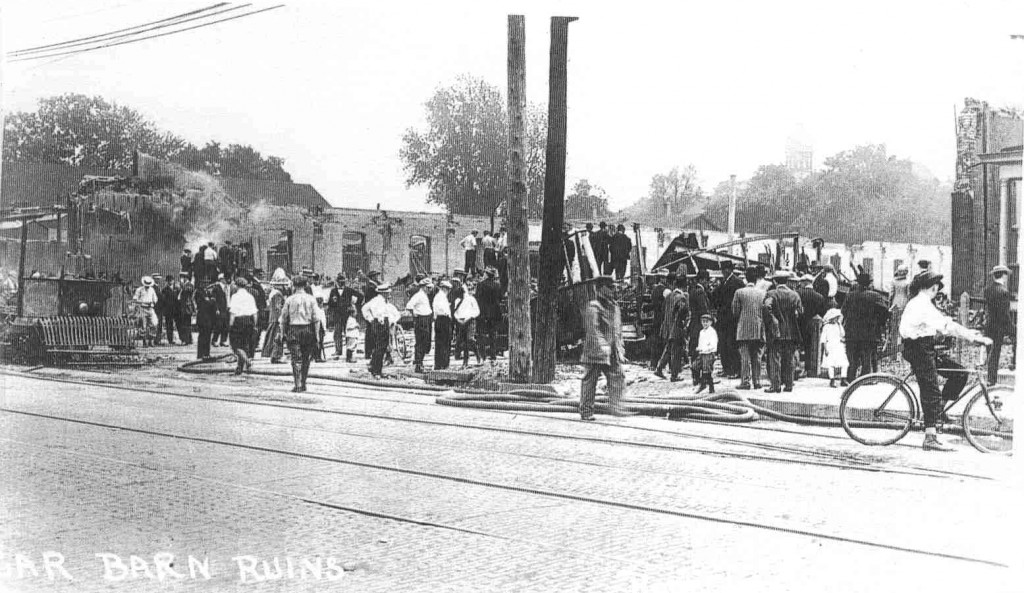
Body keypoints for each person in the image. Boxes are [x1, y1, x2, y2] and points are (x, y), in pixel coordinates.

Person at [900, 270, 991, 451]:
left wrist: (970, 334)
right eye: (937, 288)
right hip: (918, 349)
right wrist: (973, 338)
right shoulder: (921, 304)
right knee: (931, 389)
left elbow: (943, 323)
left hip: (925, 347)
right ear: (933, 287)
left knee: (959, 373)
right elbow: (946, 326)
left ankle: (939, 411)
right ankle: (930, 437)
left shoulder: (923, 302)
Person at [579, 275, 627, 421]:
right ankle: (586, 411)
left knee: (618, 376)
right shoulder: (594, 307)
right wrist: (603, 346)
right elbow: (593, 330)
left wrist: (619, 348)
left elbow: (617, 330)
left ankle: (616, 407)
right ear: (601, 289)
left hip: (611, 351)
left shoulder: (614, 306)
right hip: (595, 351)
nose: (614, 290)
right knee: (590, 380)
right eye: (610, 288)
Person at [841, 272, 889, 383]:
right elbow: (885, 312)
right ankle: (865, 379)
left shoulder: (850, 295)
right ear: (869, 284)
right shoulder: (875, 296)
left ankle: (850, 378)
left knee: (852, 357)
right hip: (870, 332)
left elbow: (843, 311)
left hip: (851, 331)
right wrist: (879, 323)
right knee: (866, 356)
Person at [280, 275, 320, 392]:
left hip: (293, 330)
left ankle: (297, 384)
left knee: (296, 358)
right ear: (305, 285)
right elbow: (316, 319)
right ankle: (304, 383)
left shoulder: (289, 300)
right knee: (306, 358)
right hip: (307, 330)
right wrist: (317, 335)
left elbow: (283, 319)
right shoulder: (311, 299)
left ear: (294, 285)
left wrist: (282, 333)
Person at [712, 260, 744, 379]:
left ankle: (736, 369)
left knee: (732, 345)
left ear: (729, 269)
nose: (723, 272)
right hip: (723, 319)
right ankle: (727, 368)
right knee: (723, 345)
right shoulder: (723, 282)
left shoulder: (737, 282)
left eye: (724, 269)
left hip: (732, 319)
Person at [984, 265, 1014, 386]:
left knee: (991, 352)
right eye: (1006, 275)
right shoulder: (1004, 292)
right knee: (996, 352)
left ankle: (991, 379)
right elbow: (1004, 314)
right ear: (1003, 275)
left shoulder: (987, 289)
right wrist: (1011, 328)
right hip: (1000, 326)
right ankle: (1014, 363)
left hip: (989, 324)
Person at [654, 274, 689, 381]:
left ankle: (659, 369)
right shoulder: (681, 297)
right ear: (685, 286)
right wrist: (684, 325)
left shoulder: (669, 295)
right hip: (677, 327)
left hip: (667, 327)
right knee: (677, 351)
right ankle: (674, 375)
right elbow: (682, 313)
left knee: (668, 349)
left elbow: (663, 309)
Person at [361, 282, 400, 378]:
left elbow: (365, 309)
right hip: (380, 323)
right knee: (380, 347)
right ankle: (377, 370)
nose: (389, 294)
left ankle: (374, 367)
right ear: (383, 293)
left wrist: (371, 319)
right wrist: (371, 319)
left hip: (382, 323)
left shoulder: (383, 301)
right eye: (387, 293)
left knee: (380, 346)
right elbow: (364, 309)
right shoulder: (377, 301)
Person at [796, 274, 827, 379]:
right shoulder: (819, 296)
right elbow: (823, 313)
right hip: (813, 326)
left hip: (799, 324)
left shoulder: (798, 294)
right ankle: (809, 369)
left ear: (804, 282)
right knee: (811, 348)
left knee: (798, 347)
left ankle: (797, 368)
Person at [228, 277, 258, 375]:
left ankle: (247, 361)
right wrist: (254, 324)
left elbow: (232, 313)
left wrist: (230, 325)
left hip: (238, 321)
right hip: (249, 321)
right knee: (245, 345)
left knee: (236, 346)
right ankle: (239, 367)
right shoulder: (250, 297)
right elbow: (255, 313)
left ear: (236, 286)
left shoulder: (235, 297)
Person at [329, 274, 363, 361]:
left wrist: (355, 304)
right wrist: (333, 309)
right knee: (337, 333)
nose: (341, 284)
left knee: (349, 334)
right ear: (337, 282)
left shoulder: (349, 290)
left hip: (347, 315)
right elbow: (330, 303)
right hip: (337, 315)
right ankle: (338, 350)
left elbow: (360, 296)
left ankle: (349, 351)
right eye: (340, 282)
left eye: (343, 282)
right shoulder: (333, 291)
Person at [687, 270, 711, 385]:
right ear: (702, 280)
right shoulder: (700, 292)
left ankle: (695, 377)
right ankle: (699, 375)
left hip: (694, 325)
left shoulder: (693, 290)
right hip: (700, 326)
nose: (708, 283)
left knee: (695, 350)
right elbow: (704, 310)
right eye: (707, 281)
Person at [406, 278, 434, 373]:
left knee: (425, 341)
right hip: (421, 320)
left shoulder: (424, 295)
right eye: (428, 288)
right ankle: (418, 364)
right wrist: (415, 315)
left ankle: (420, 362)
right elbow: (409, 306)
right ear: (424, 287)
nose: (430, 290)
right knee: (421, 342)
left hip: (426, 319)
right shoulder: (418, 295)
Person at [453, 280, 482, 368]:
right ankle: (465, 361)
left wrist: (469, 317)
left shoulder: (471, 299)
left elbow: (477, 311)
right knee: (463, 342)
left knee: (470, 339)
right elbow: (455, 312)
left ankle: (478, 356)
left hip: (470, 321)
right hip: (461, 322)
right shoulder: (457, 300)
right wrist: (458, 319)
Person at [476, 268, 502, 363]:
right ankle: (493, 354)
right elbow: (500, 298)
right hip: (495, 313)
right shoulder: (497, 285)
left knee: (482, 334)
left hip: (483, 313)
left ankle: (483, 356)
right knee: (493, 334)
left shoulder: (481, 285)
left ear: (486, 275)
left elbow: (478, 298)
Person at [263, 272, 288, 363]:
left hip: (272, 318)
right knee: (278, 337)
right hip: (277, 319)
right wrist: (282, 317)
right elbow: (278, 307)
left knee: (273, 337)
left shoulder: (272, 293)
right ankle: (276, 355)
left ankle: (275, 355)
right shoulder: (278, 294)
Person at [820, 308, 849, 388]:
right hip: (830, 346)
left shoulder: (838, 326)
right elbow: (823, 339)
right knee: (830, 364)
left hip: (838, 345)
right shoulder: (826, 327)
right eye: (835, 317)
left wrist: (840, 325)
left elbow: (842, 334)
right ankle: (832, 380)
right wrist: (825, 349)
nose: (836, 319)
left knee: (844, 363)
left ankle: (843, 378)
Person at [648, 270, 670, 370]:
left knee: (655, 341)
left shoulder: (654, 290)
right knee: (665, 341)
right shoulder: (666, 290)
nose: (666, 280)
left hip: (656, 318)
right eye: (665, 278)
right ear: (662, 278)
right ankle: (664, 365)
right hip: (664, 318)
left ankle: (653, 364)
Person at [694, 314, 718, 394]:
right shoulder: (701, 332)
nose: (705, 323)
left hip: (709, 353)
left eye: (706, 322)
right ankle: (701, 382)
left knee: (706, 371)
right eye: (703, 322)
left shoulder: (712, 332)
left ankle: (710, 387)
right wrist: (699, 348)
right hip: (702, 353)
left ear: (710, 322)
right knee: (694, 366)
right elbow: (701, 342)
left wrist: (705, 348)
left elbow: (713, 345)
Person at [133, 276, 159, 347]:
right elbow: (135, 299)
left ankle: (151, 340)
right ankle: (144, 341)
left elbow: (155, 299)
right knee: (143, 325)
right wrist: (141, 302)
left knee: (154, 323)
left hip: (150, 308)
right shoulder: (139, 290)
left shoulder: (152, 290)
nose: (147, 286)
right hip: (142, 308)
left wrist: (153, 303)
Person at [195, 284, 219, 360]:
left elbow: (212, 303)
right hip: (202, 318)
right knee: (203, 336)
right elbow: (205, 304)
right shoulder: (199, 292)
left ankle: (206, 353)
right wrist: (212, 301)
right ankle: (201, 354)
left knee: (208, 336)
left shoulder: (207, 293)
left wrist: (211, 300)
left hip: (209, 318)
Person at [433, 280, 453, 370]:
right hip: (443, 320)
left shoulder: (440, 296)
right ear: (445, 289)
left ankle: (440, 363)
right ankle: (443, 363)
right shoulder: (441, 297)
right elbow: (443, 310)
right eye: (448, 290)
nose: (448, 292)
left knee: (441, 342)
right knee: (444, 342)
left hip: (440, 319)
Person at [362, 270, 382, 359]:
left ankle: (370, 351)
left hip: (372, 311)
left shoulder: (373, 285)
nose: (377, 277)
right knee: (370, 332)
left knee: (371, 332)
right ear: (373, 277)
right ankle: (369, 352)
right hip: (371, 311)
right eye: (376, 276)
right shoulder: (371, 287)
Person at [159, 275, 179, 345]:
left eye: (171, 280)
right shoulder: (164, 290)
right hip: (168, 310)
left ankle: (182, 339)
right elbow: (163, 301)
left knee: (178, 324)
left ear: (173, 281)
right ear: (167, 282)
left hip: (176, 310)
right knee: (169, 325)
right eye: (169, 281)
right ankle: (170, 340)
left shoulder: (177, 289)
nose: (170, 282)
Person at [177, 272, 195, 345]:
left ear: (185, 278)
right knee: (185, 323)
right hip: (183, 307)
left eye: (182, 278)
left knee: (186, 324)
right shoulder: (184, 285)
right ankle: (188, 339)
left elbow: (188, 292)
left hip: (187, 307)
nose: (181, 279)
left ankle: (186, 340)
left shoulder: (189, 285)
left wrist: (181, 286)